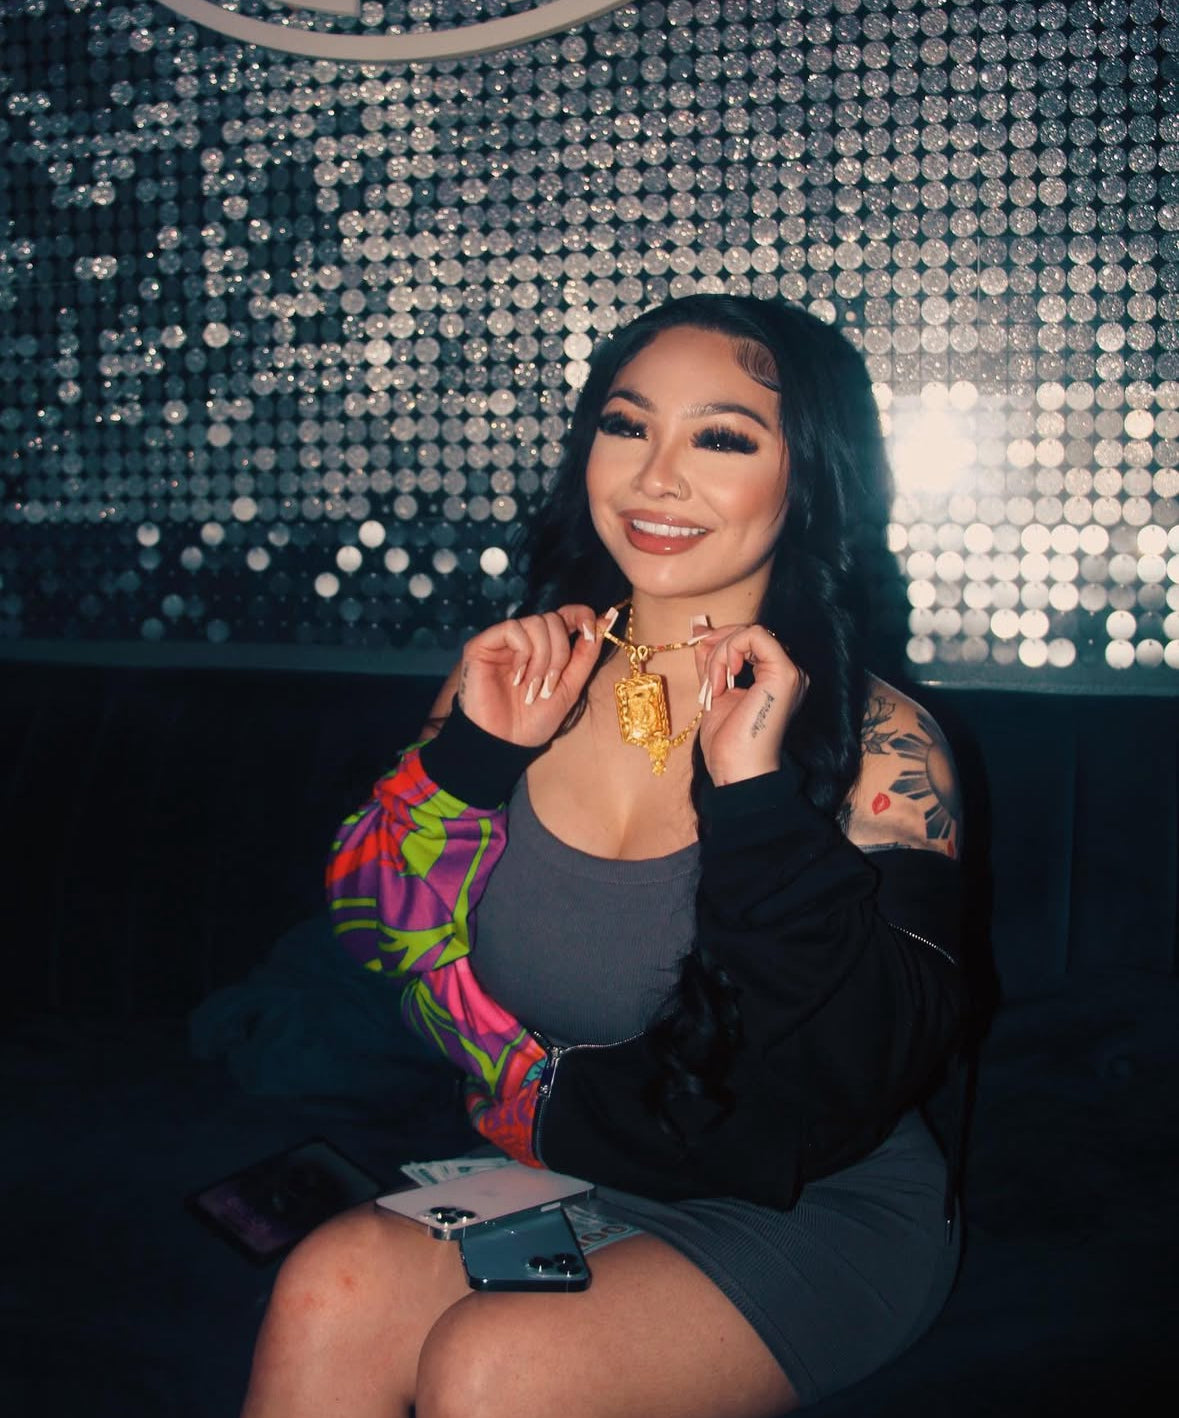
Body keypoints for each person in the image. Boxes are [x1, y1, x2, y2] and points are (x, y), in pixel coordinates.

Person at [240, 294, 967, 1418]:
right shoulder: (518, 675)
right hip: (572, 1165)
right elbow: (373, 932)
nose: (655, 477)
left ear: (805, 476)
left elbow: (858, 1073)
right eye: (627, 426)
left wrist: (758, 800)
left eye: (722, 438)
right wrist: (473, 759)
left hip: (811, 1201)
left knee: (498, 1366)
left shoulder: (885, 742)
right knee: (324, 1286)